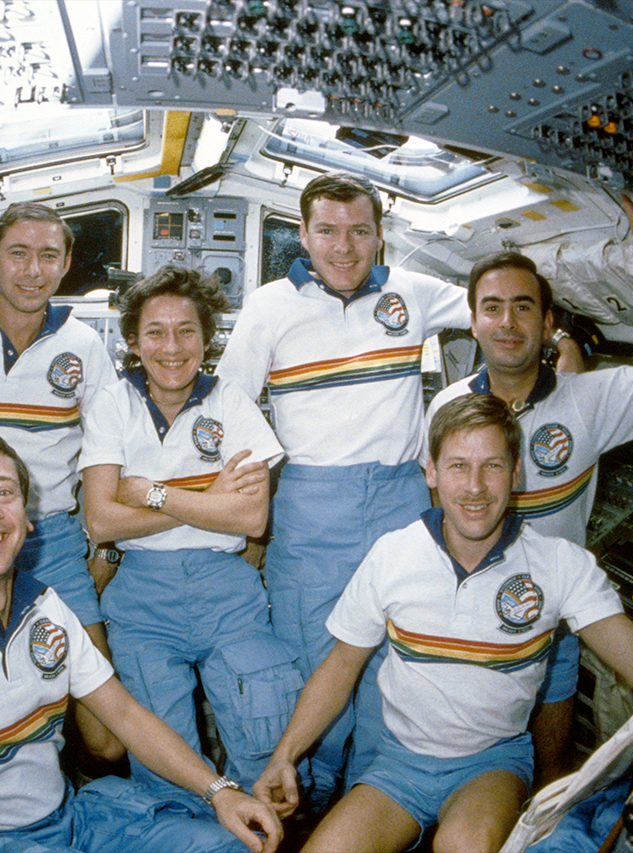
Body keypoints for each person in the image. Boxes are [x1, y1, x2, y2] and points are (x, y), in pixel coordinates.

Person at [254, 393, 633, 853]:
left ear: (516, 473)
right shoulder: (393, 554)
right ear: (430, 471)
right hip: (397, 765)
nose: (475, 487)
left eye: (492, 466)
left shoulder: (560, 565)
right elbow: (341, 667)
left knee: (463, 845)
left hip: (491, 765)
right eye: (458, 466)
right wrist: (284, 756)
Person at [0, 425, 283, 853]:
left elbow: (127, 715)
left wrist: (222, 793)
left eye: (4, 492)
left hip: (74, 821)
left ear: (27, 517)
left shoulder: (48, 608)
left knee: (230, 844)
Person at [426, 195, 633, 785]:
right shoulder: (448, 406)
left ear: (548, 322)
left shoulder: (589, 400)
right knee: (469, 763)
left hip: (556, 609)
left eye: (523, 307)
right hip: (475, 616)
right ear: (474, 321)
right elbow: (443, 519)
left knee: (553, 765)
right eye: (492, 308)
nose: (507, 323)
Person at [215, 171, 471, 804]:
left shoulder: (414, 292)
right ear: (302, 235)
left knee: (397, 661)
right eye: (327, 231)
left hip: (400, 503)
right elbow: (226, 405)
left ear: (379, 236)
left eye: (360, 231)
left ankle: (376, 801)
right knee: (315, 657)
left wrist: (564, 341)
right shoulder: (270, 305)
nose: (344, 247)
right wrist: (253, 485)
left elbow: (497, 308)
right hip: (309, 507)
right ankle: (309, 799)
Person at [78, 265, 302, 807]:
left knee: (262, 738)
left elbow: (251, 521)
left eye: (186, 331)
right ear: (133, 340)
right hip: (141, 602)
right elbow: (102, 521)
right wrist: (211, 501)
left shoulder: (230, 402)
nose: (172, 347)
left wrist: (152, 494)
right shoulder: (113, 403)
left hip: (228, 594)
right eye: (155, 332)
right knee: (165, 765)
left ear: (206, 338)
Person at [0, 202, 121, 760]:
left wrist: (104, 551)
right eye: (18, 254)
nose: (32, 270)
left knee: (106, 742)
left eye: (47, 257)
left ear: (65, 267)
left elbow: (107, 462)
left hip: (52, 540)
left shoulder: (85, 348)